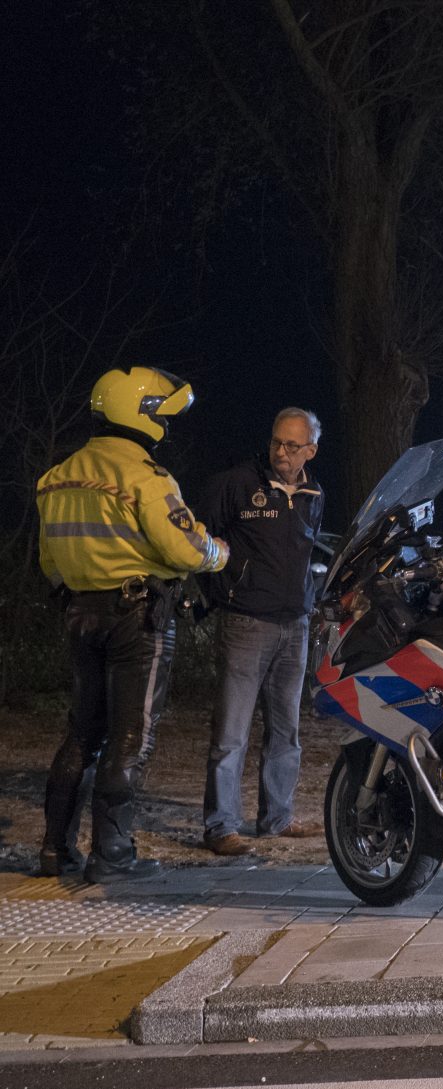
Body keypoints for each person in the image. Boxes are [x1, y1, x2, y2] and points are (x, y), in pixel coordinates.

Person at [35, 367, 229, 881]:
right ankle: (113, 854)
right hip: (137, 619)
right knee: (131, 738)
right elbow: (183, 548)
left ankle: (55, 849)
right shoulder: (146, 477)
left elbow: (49, 563)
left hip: (79, 612)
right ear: (142, 416)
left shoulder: (56, 477)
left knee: (81, 734)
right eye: (164, 415)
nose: (168, 425)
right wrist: (219, 552)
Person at [197, 408, 328, 855]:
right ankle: (220, 827)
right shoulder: (236, 483)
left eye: (293, 446)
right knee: (231, 731)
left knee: (285, 731)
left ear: (311, 450)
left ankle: (277, 819)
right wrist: (223, 593)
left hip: (295, 625)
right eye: (276, 442)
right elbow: (200, 543)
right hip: (246, 622)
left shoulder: (314, 492)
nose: (281, 452)